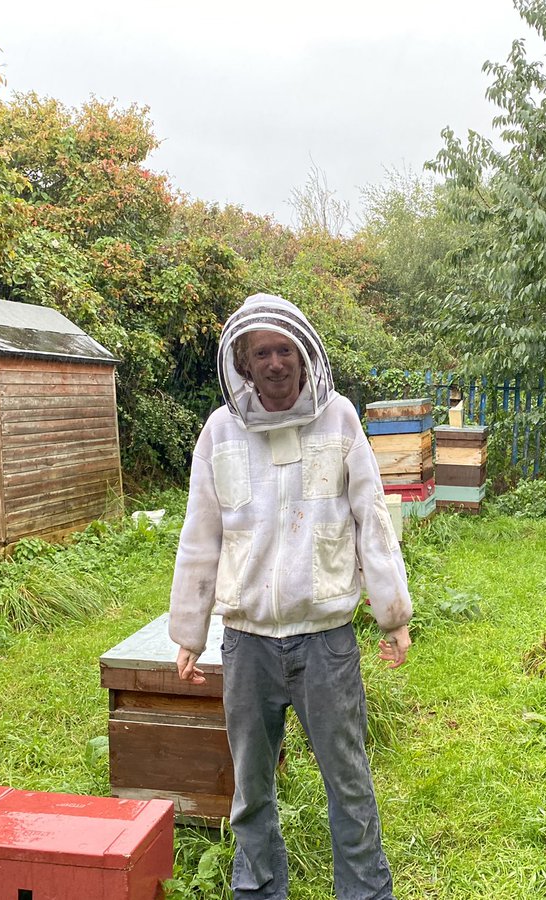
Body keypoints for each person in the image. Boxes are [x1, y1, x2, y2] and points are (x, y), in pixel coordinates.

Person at [169, 293, 412, 900]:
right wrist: (188, 633)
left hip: (325, 640)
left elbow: (371, 521)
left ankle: (363, 893)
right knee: (251, 788)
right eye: (262, 353)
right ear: (244, 365)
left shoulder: (341, 420)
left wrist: (393, 614)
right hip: (248, 642)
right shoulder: (220, 433)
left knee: (348, 781)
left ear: (304, 358)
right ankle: (257, 892)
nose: (275, 363)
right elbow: (200, 534)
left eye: (284, 350)